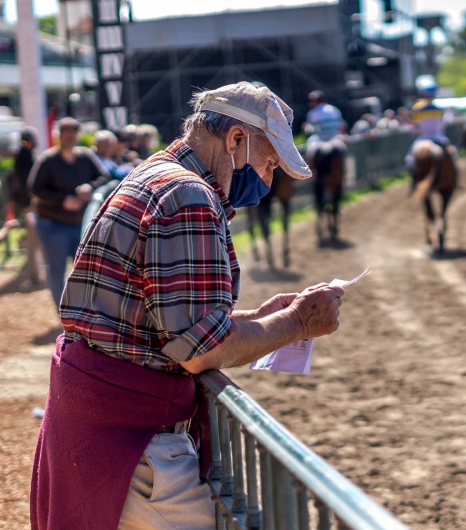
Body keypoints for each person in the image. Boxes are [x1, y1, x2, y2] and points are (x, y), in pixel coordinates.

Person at [30, 81, 345, 530]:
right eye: (269, 163)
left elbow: (155, 322)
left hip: (99, 424)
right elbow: (200, 351)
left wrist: (259, 319)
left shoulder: (153, 173)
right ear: (236, 139)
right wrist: (296, 322)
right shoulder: (188, 196)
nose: (269, 180)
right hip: (134, 441)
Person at [27, 117, 110, 306]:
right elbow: (35, 189)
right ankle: (63, 315)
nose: (70, 136)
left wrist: (90, 186)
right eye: (66, 132)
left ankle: (82, 312)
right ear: (59, 135)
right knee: (57, 270)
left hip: (80, 223)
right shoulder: (47, 160)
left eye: (73, 131)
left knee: (84, 269)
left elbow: (104, 176)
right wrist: (63, 200)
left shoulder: (85, 156)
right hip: (52, 223)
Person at [11, 126, 43, 285]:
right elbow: (28, 185)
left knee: (35, 238)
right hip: (30, 204)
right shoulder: (24, 157)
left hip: (29, 203)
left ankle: (35, 272)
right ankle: (34, 274)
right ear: (29, 141)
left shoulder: (24, 155)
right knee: (33, 238)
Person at [405, 81, 454, 168]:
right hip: (439, 138)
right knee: (452, 157)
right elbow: (444, 123)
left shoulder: (418, 109)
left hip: (423, 138)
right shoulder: (440, 109)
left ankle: (414, 179)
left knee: (410, 159)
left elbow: (416, 126)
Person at [304, 90, 346, 160]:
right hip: (335, 137)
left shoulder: (312, 113)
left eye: (312, 100)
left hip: (319, 138)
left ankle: (308, 169)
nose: (311, 103)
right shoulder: (335, 110)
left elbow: (310, 129)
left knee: (309, 152)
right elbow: (342, 125)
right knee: (343, 150)